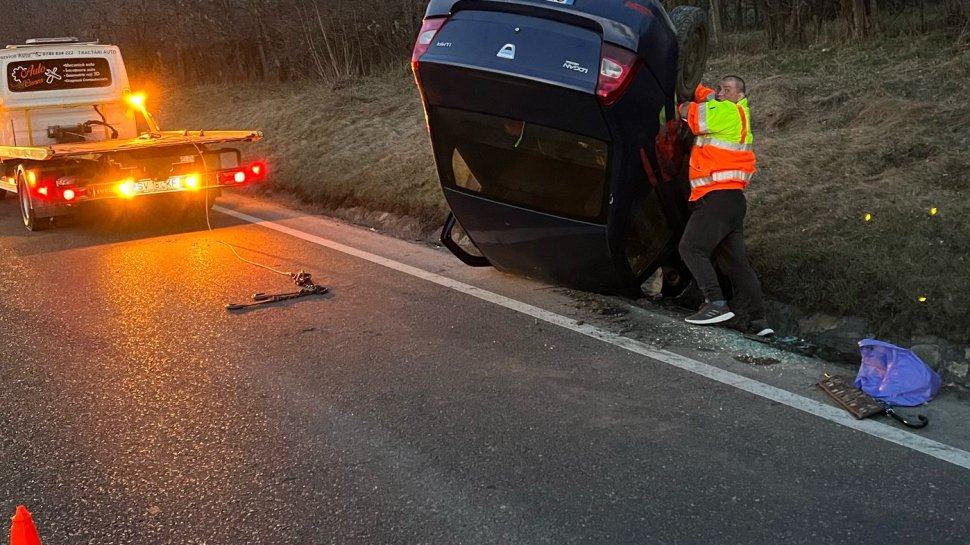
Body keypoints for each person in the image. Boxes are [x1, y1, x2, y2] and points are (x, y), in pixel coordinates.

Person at [677, 76, 773, 338]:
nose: (720, 92)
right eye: (719, 88)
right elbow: (708, 96)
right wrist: (692, 83)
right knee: (736, 264)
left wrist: (678, 101)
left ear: (740, 95)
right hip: (733, 201)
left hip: (716, 197)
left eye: (727, 89)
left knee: (691, 248)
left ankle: (715, 303)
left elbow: (693, 115)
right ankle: (760, 321)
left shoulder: (727, 111)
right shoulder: (735, 112)